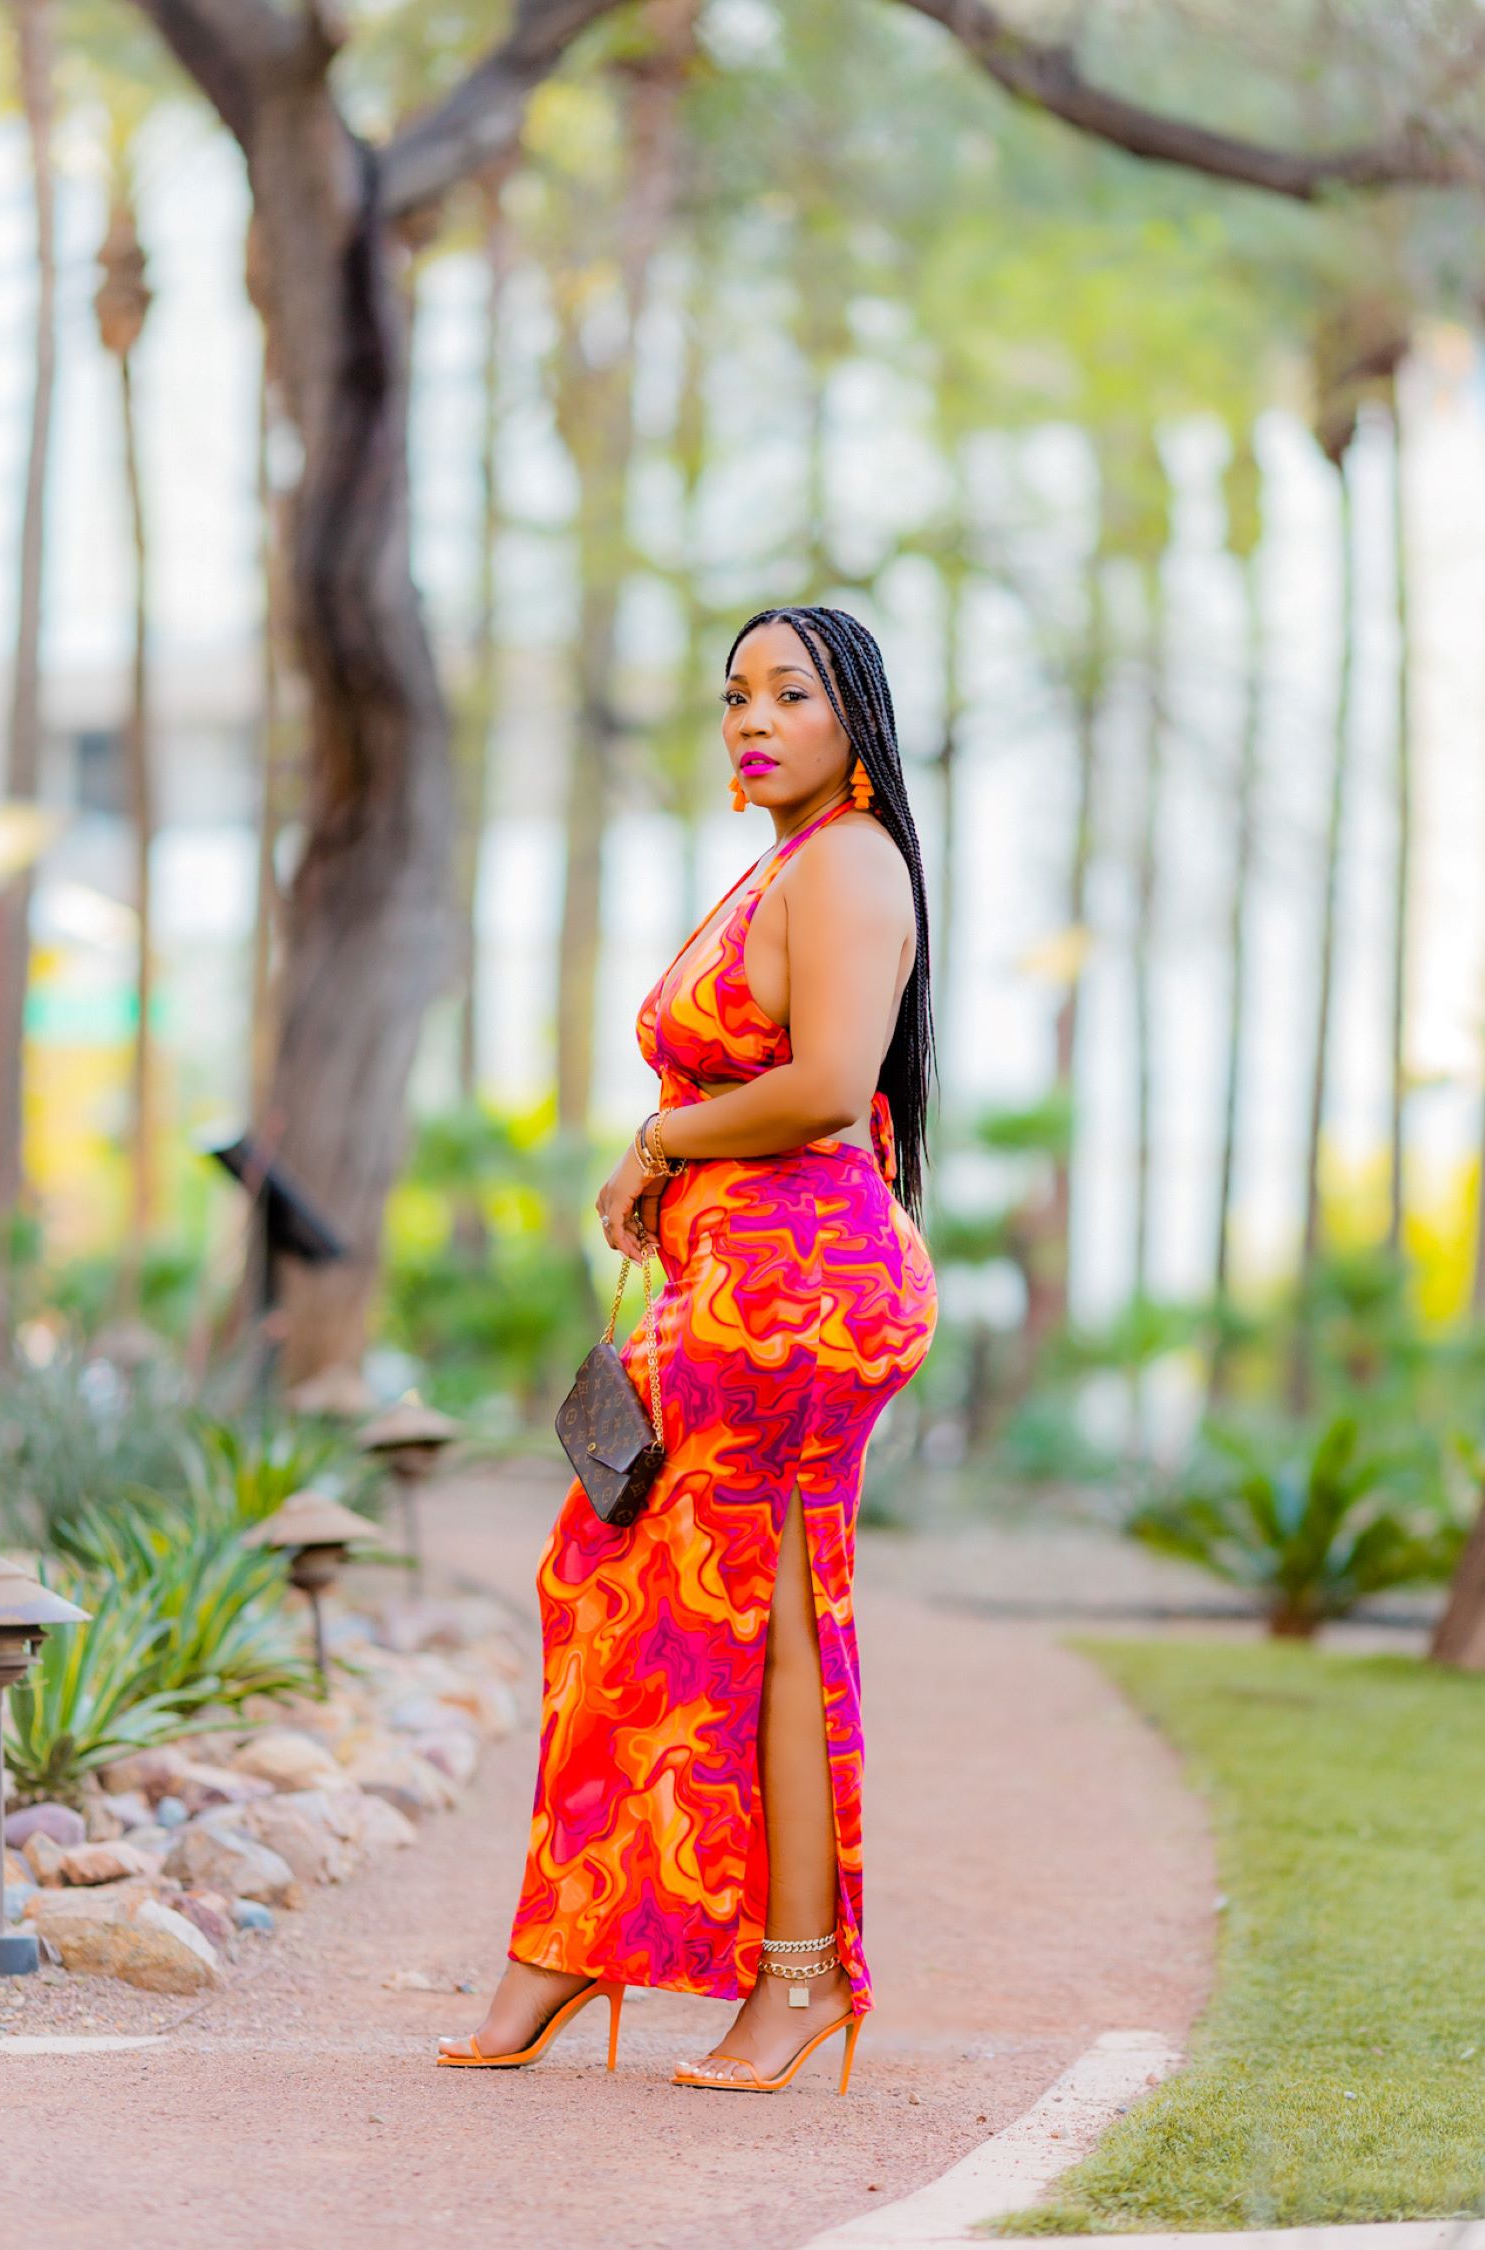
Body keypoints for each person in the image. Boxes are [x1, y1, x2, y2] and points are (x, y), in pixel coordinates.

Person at [439, 605, 938, 2094]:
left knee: (771, 1618)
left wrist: (658, 1138)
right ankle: (580, 1929)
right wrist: (668, 1162)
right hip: (726, 1281)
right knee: (615, 1583)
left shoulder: (849, 862)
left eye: (792, 692)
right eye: (736, 697)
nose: (754, 719)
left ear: (857, 719)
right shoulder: (785, 865)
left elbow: (831, 1085)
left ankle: (797, 1975)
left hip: (801, 1292)